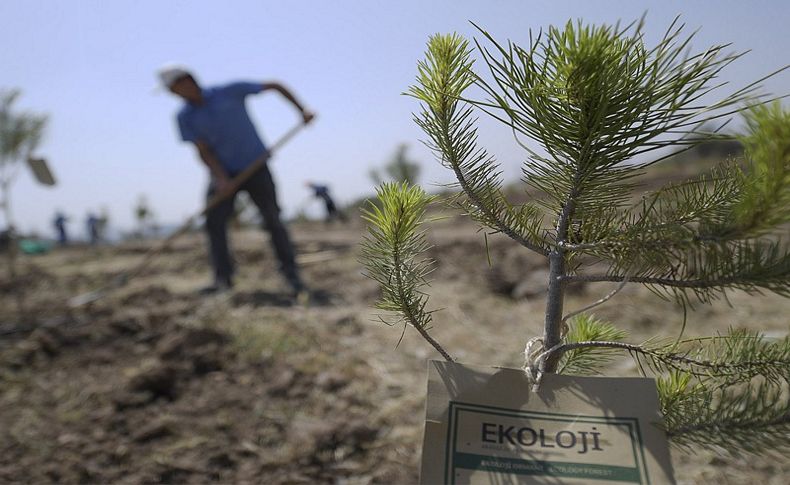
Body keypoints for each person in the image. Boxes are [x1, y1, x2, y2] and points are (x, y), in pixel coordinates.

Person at [159, 65, 314, 295]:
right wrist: (222, 179)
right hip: (223, 173)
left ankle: (291, 277)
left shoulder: (229, 91)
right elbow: (203, 150)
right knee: (214, 223)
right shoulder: (184, 117)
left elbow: (274, 85)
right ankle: (223, 280)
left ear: (188, 80)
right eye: (170, 91)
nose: (174, 94)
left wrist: (302, 110)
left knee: (272, 219)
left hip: (256, 166)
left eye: (174, 88)